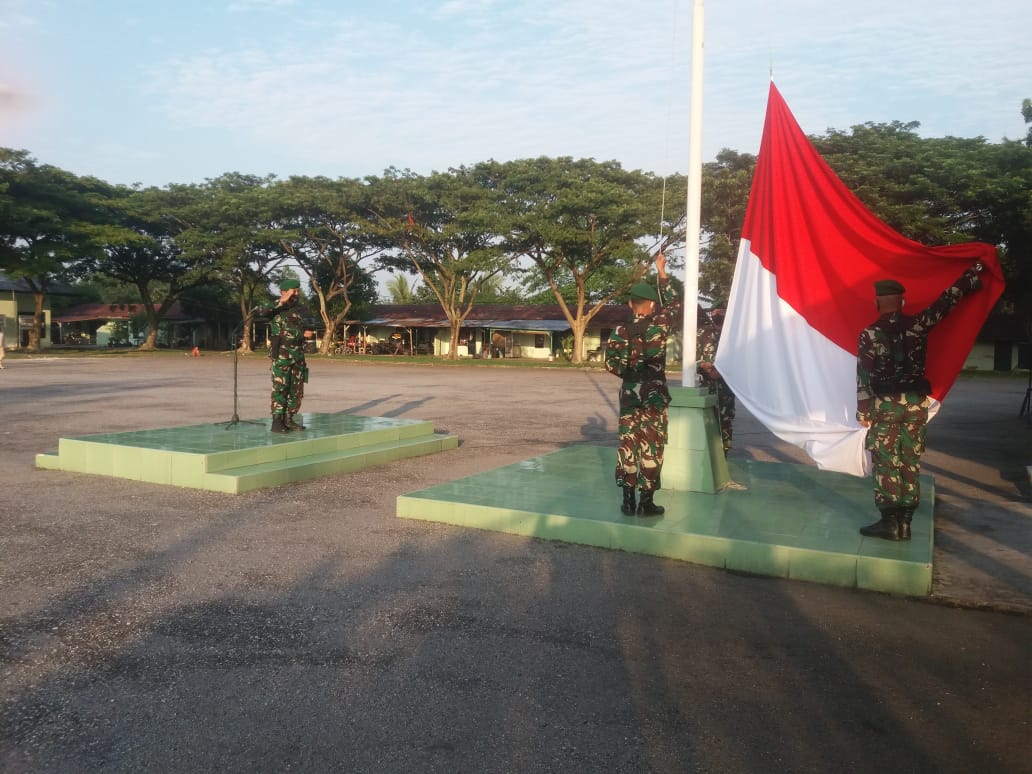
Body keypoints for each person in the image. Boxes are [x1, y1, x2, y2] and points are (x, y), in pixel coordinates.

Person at [856, 263, 984, 540]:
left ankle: (890, 523)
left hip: (886, 406)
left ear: (877, 301)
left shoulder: (869, 334)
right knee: (909, 461)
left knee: (887, 463)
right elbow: (945, 303)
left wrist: (863, 411)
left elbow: (864, 377)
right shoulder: (918, 324)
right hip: (915, 405)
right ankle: (906, 522)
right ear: (902, 302)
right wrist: (970, 277)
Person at [604, 253, 682, 516]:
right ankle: (646, 502)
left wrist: (631, 375)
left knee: (628, 445)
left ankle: (627, 500)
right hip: (654, 398)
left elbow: (611, 364)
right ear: (651, 305)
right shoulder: (660, 325)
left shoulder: (619, 331)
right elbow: (674, 304)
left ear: (630, 304)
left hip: (630, 397)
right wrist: (662, 272)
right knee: (652, 447)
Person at [252, 278, 309, 433]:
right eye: (293, 290)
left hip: (297, 356)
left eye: (298, 290)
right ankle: (277, 422)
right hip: (282, 355)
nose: (297, 293)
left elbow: (296, 331)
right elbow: (261, 312)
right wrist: (282, 300)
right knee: (280, 388)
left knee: (296, 390)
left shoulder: (298, 310)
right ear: (284, 291)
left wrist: (304, 334)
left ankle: (289, 419)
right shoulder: (276, 307)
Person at [697, 307, 735, 455]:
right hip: (706, 386)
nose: (716, 315)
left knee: (724, 422)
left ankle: (723, 455)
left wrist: (721, 371)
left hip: (725, 388)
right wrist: (702, 366)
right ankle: (708, 454)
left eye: (720, 311)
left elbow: (740, 359)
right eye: (713, 312)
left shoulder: (732, 335)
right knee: (706, 421)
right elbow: (691, 358)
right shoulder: (703, 333)